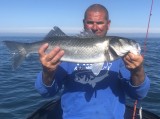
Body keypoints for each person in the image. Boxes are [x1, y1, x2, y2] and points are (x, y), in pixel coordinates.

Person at [35, 4, 150, 119]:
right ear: (83, 23)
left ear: (108, 24)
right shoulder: (61, 55)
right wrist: (47, 72)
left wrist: (137, 71)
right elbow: (46, 92)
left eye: (100, 23)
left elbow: (139, 94)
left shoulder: (123, 59)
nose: (95, 27)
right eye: (90, 22)